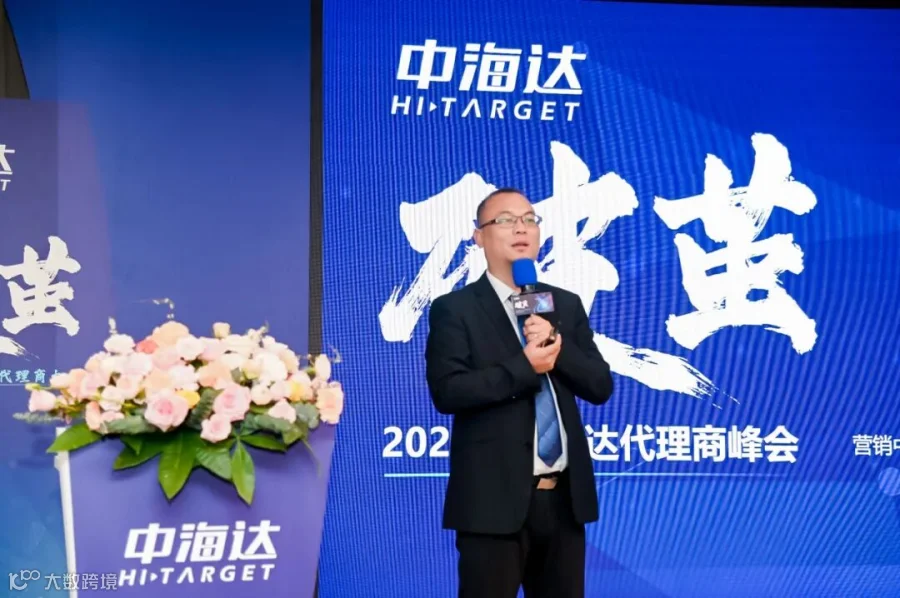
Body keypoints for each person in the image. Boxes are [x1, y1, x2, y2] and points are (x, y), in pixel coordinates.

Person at [425, 188, 614, 598]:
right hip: (491, 504)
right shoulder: (455, 309)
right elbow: (449, 391)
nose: (521, 229)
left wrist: (557, 346)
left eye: (530, 220)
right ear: (479, 236)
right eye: (506, 221)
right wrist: (524, 368)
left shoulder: (563, 304)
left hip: (563, 502)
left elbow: (600, 386)